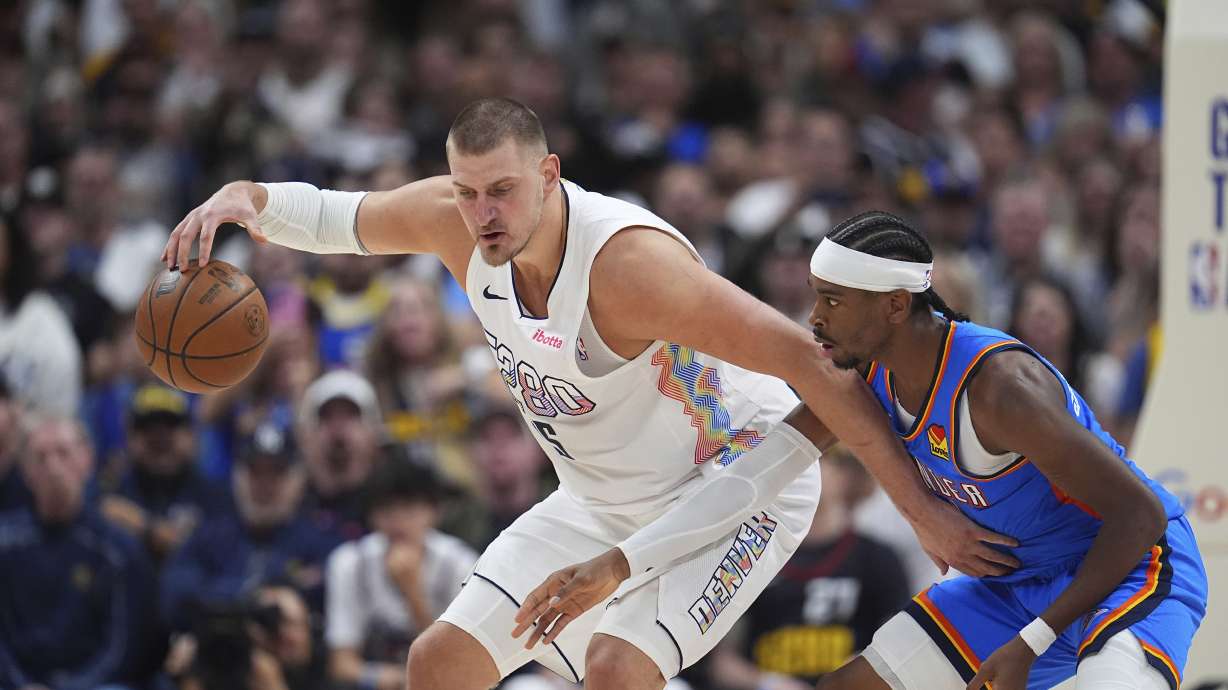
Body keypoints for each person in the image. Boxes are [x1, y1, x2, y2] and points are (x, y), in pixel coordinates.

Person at [162, 97, 1009, 690]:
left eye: (500, 190)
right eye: (465, 192)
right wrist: (246, 200)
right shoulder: (460, 223)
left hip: (736, 483)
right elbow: (341, 218)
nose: (482, 213)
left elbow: (816, 365)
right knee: (439, 665)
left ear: (549, 176)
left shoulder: (630, 271)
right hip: (601, 496)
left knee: (616, 671)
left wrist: (919, 511)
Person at [796, 212, 1204, 690]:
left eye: (832, 300)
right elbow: (785, 443)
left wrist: (1033, 641)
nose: (815, 316)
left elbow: (1141, 514)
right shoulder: (869, 370)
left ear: (894, 305)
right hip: (1018, 581)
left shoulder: (1001, 389)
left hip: (1131, 566)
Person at [709, 447, 911, 689]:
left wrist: (862, 670)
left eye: (819, 461)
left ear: (846, 476)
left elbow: (901, 649)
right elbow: (719, 661)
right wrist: (767, 683)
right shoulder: (749, 555)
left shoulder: (878, 559)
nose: (803, 472)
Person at [0, 416, 162, 690]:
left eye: (63, 453)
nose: (52, 467)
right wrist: (22, 685)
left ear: (87, 460)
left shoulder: (117, 549)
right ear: (26, 471)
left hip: (97, 683)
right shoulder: (6, 543)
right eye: (40, 457)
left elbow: (124, 649)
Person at [326, 458, 478, 690]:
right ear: (372, 515)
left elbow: (456, 664)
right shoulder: (350, 562)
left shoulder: (459, 563)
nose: (397, 521)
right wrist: (389, 679)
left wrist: (412, 592)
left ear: (434, 511)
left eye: (409, 508)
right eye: (386, 509)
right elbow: (341, 663)